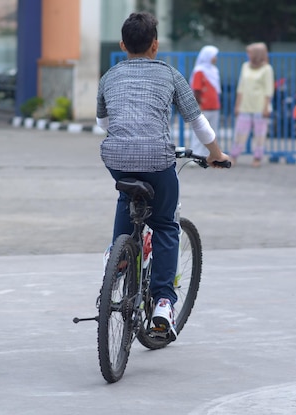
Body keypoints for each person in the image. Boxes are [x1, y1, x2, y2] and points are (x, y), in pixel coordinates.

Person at [96, 12, 230, 341]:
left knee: (127, 195)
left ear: (123, 44)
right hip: (157, 159)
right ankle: (163, 306)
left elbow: (103, 123)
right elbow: (198, 122)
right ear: (155, 45)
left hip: (116, 158)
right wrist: (216, 154)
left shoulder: (110, 76)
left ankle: (116, 262)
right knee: (166, 225)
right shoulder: (170, 74)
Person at [230, 42, 274, 167]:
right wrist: (237, 105)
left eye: (249, 53)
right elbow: (241, 87)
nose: (247, 55)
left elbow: (268, 90)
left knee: (260, 134)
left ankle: (257, 157)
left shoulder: (267, 69)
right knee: (240, 133)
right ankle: (234, 155)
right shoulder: (245, 66)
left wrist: (266, 107)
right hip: (245, 106)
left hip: (260, 107)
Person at [189, 45, 221, 157]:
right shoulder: (199, 71)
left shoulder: (214, 70)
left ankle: (209, 155)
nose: (215, 58)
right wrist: (198, 105)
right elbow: (196, 89)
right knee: (200, 131)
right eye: (213, 56)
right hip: (203, 106)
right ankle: (196, 155)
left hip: (214, 106)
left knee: (212, 133)